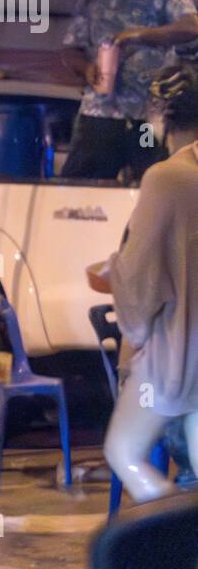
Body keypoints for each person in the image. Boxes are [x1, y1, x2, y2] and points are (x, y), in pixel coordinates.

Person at [103, 62, 198, 501]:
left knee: (124, 450)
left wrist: (115, 274)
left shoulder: (169, 177)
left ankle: (171, 541)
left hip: (177, 355)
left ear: (162, 119)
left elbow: (141, 281)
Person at [60, 0, 198, 181]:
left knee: (152, 179)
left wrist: (136, 35)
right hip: (101, 115)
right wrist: (86, 68)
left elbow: (190, 27)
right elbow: (69, 51)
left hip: (148, 119)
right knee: (80, 183)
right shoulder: (92, 2)